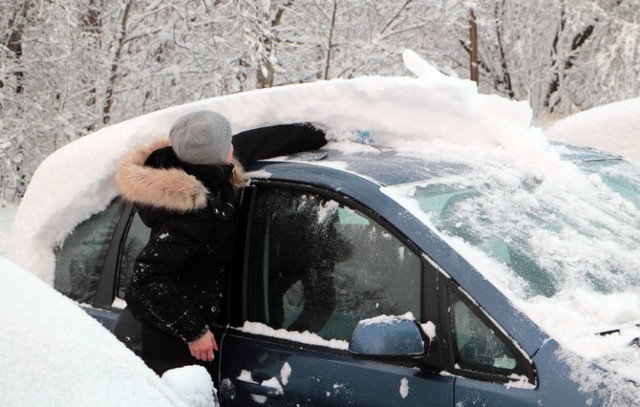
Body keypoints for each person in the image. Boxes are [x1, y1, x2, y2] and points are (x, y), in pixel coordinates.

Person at [113, 110, 247, 375]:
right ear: (222, 153)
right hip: (161, 342)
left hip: (163, 330)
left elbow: (250, 143)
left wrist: (317, 132)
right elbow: (147, 276)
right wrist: (193, 330)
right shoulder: (193, 212)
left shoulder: (197, 171)